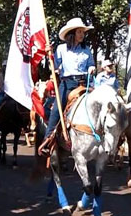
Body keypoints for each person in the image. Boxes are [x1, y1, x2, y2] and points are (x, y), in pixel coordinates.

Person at [38, 17, 95, 156]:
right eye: (79, 32)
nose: (82, 34)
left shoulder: (87, 50)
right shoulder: (61, 49)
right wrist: (49, 55)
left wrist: (92, 68)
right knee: (56, 110)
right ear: (72, 33)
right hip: (67, 84)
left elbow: (91, 65)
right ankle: (48, 139)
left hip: (84, 83)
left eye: (83, 32)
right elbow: (55, 66)